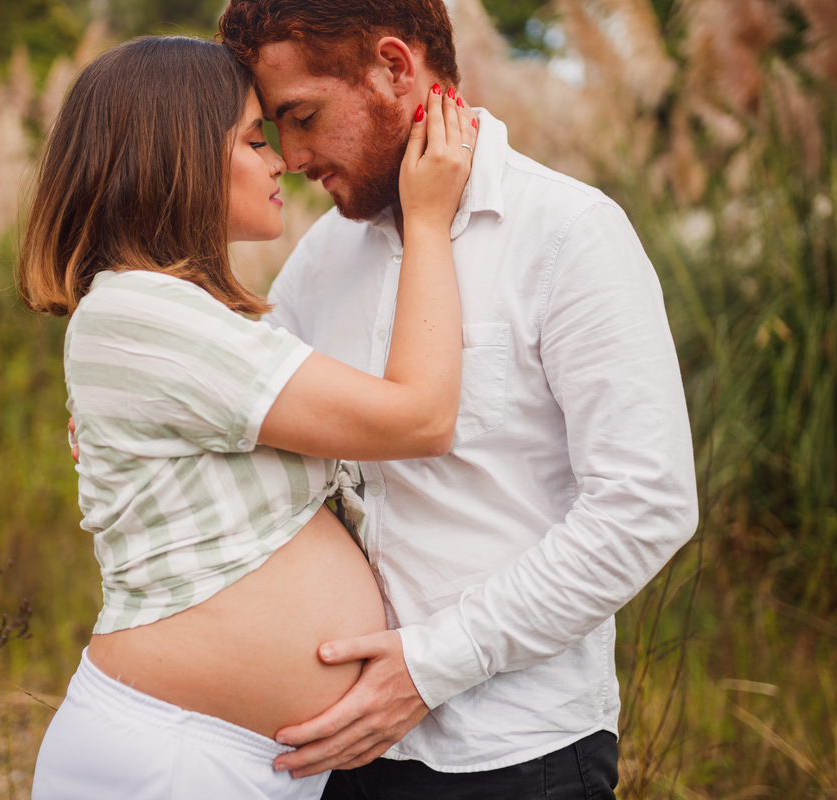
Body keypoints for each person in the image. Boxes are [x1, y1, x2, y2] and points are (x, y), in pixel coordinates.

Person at [215, 1, 701, 797]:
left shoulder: (570, 235)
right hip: (338, 752)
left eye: (303, 116)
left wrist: (430, 666)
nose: (294, 157)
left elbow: (646, 505)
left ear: (395, 68)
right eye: (275, 128)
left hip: (515, 754)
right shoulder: (320, 256)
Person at [17, 35, 476, 800]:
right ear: (178, 158)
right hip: (173, 760)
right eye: (256, 138)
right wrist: (426, 221)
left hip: (229, 759)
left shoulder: (189, 315)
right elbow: (420, 419)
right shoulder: (142, 310)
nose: (282, 162)